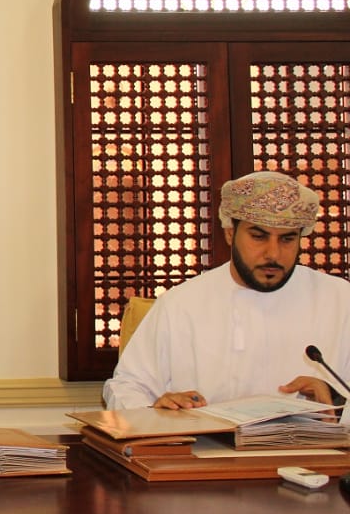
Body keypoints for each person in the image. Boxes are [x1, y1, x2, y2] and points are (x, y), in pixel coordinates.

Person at [104, 171, 350, 411]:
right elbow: (126, 387)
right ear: (230, 233)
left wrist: (337, 398)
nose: (273, 254)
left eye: (287, 239)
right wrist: (156, 410)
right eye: (259, 236)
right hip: (207, 439)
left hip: (309, 440)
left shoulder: (340, 300)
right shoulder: (181, 304)